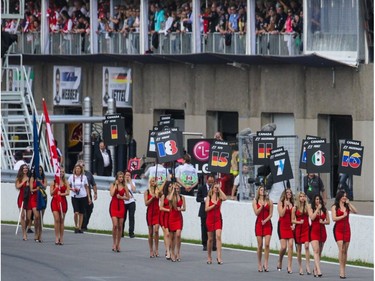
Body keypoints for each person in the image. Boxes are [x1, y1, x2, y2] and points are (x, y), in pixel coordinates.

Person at [331, 190, 357, 279]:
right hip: (338, 229)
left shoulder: (347, 206)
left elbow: (356, 211)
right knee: (341, 249)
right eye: (343, 196)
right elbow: (334, 218)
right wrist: (343, 216)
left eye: (346, 196)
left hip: (347, 229)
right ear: (339, 196)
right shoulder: (335, 206)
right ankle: (341, 270)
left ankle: (344, 268)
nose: (345, 197)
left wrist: (349, 204)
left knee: (345, 250)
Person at [205, 180, 227, 265]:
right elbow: (206, 209)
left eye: (217, 187)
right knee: (210, 239)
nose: (216, 189)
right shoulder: (209, 197)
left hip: (218, 219)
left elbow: (225, 198)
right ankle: (209, 256)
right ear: (212, 188)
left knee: (218, 236)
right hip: (210, 219)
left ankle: (219, 257)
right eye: (215, 187)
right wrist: (212, 206)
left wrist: (220, 189)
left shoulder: (220, 197)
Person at [252, 185, 273, 272]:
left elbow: (271, 214)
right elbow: (256, 213)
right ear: (258, 191)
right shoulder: (255, 201)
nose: (263, 191)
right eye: (261, 190)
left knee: (267, 244)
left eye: (264, 190)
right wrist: (261, 206)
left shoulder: (269, 201)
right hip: (259, 224)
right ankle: (259, 263)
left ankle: (266, 263)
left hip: (267, 223)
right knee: (260, 245)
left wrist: (266, 220)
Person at [308, 194, 330, 277]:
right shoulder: (311, 208)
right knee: (316, 250)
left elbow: (328, 221)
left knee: (319, 251)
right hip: (314, 231)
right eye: (316, 199)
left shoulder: (324, 210)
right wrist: (317, 209)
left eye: (319, 199)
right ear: (314, 200)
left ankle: (315, 268)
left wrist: (323, 222)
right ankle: (319, 270)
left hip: (322, 231)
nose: (318, 201)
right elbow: (312, 218)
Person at [291, 191, 311, 275]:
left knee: (306, 246)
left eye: (303, 196)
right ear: (298, 198)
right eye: (301, 196)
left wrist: (307, 204)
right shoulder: (295, 208)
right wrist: (298, 222)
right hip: (299, 229)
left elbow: (311, 215)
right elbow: (292, 220)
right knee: (299, 249)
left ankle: (308, 266)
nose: (302, 198)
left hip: (306, 228)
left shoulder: (308, 206)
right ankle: (300, 267)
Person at [109, 171, 129, 252]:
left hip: (121, 205)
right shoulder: (113, 185)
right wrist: (116, 185)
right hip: (114, 205)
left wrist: (121, 197)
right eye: (119, 177)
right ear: (117, 178)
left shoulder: (125, 186)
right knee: (115, 225)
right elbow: (111, 194)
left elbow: (128, 197)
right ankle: (114, 243)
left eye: (122, 177)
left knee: (120, 226)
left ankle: (118, 244)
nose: (121, 179)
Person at [68, 163, 91, 233]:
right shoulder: (71, 177)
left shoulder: (84, 177)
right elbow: (68, 186)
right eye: (76, 168)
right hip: (74, 196)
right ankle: (76, 226)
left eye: (79, 169)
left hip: (83, 196)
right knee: (76, 212)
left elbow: (86, 187)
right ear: (75, 169)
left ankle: (80, 227)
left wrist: (89, 197)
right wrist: (73, 189)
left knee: (81, 212)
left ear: (81, 170)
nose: (78, 170)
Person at [196, 174, 216, 251]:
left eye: (212, 181)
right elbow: (198, 198)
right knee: (204, 227)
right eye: (209, 181)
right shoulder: (202, 188)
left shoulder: (215, 188)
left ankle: (213, 244)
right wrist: (204, 199)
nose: (211, 183)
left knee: (213, 228)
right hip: (204, 210)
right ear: (207, 180)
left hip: (213, 210)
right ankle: (205, 244)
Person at [277, 188, 295, 273]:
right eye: (287, 192)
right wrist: (285, 206)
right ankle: (280, 260)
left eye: (290, 193)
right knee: (284, 247)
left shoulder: (293, 204)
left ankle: (289, 266)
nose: (289, 194)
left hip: (290, 226)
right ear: (284, 194)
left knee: (291, 245)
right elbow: (281, 214)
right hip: (282, 225)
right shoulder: (280, 203)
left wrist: (294, 224)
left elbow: (294, 216)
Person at [50, 168, 70, 245]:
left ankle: (61, 238)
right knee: (57, 219)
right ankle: (56, 237)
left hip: (63, 201)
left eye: (62, 172)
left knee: (62, 220)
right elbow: (51, 193)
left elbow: (68, 192)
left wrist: (61, 194)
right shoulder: (53, 182)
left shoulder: (66, 182)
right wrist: (56, 188)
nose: (61, 173)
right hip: (55, 201)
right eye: (60, 172)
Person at [76, 160, 97, 231]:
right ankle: (82, 226)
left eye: (83, 165)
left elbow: (93, 184)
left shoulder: (88, 174)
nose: (82, 167)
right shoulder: (76, 175)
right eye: (80, 166)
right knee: (83, 210)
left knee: (90, 208)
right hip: (81, 195)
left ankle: (85, 224)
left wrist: (95, 193)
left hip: (88, 194)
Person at [28, 165, 47, 242]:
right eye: (38, 170)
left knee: (41, 217)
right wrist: (37, 188)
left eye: (40, 170)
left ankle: (40, 234)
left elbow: (45, 187)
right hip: (34, 199)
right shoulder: (32, 178)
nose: (39, 171)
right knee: (36, 216)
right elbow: (31, 189)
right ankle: (36, 232)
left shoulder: (43, 178)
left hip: (42, 198)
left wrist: (41, 183)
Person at [167, 182, 186, 262]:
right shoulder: (171, 196)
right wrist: (172, 190)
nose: (177, 190)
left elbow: (184, 208)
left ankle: (178, 252)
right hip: (171, 217)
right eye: (176, 188)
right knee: (171, 236)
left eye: (178, 188)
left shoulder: (182, 197)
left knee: (178, 235)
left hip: (178, 217)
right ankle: (172, 252)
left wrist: (180, 209)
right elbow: (169, 199)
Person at [144, 177, 161, 258]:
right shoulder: (147, 192)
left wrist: (158, 189)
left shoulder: (157, 190)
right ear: (150, 182)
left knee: (156, 230)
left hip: (157, 212)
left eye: (155, 181)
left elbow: (161, 195)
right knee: (150, 232)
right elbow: (146, 203)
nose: (154, 182)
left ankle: (156, 249)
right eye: (152, 181)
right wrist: (152, 197)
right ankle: (151, 250)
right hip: (150, 212)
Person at [15, 164, 30, 241]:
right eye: (24, 168)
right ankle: (24, 233)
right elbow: (17, 186)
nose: (25, 169)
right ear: (22, 169)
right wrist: (23, 182)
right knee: (22, 216)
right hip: (21, 197)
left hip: (28, 198)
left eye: (26, 168)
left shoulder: (30, 177)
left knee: (28, 218)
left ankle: (26, 228)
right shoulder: (19, 178)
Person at [159, 180, 173, 260]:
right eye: (169, 186)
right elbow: (161, 207)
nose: (170, 188)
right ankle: (168, 251)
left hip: (171, 216)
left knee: (171, 235)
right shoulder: (163, 196)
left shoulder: (173, 196)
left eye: (171, 186)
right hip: (164, 215)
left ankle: (169, 248)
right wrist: (167, 210)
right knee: (166, 234)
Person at [124, 170, 136, 238]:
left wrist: (130, 181)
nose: (127, 177)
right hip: (124, 201)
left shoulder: (132, 182)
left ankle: (131, 232)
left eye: (129, 175)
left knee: (131, 217)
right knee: (123, 217)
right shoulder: (122, 183)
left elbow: (134, 190)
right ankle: (121, 231)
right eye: (126, 175)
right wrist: (125, 181)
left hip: (131, 201)